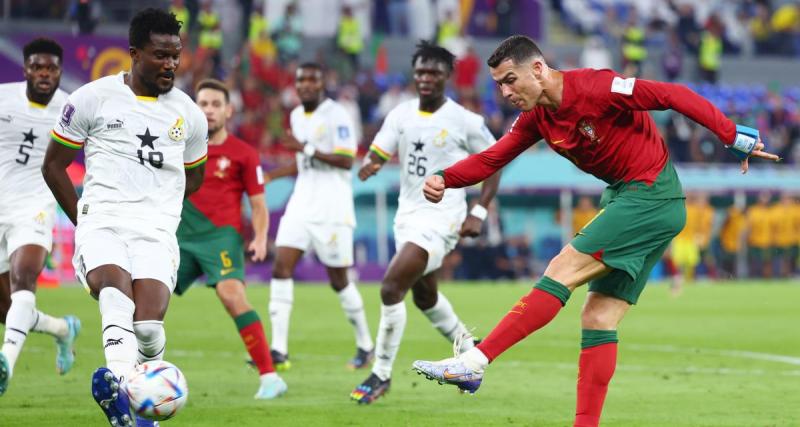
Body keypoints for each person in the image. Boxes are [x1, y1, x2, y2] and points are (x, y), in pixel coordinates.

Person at [411, 35, 779, 427]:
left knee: (562, 268)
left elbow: (672, 93)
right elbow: (494, 157)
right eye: (499, 84)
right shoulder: (537, 116)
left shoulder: (596, 87)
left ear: (537, 69)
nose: (505, 92)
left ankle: (475, 361)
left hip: (649, 194)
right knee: (598, 317)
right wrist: (444, 178)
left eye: (510, 80)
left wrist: (729, 134)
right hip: (634, 198)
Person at [41, 9, 208, 427]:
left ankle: (141, 412)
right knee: (115, 294)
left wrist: (158, 203)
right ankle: (115, 386)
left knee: (149, 328)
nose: (171, 64)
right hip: (103, 223)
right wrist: (84, 221)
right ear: (134, 54)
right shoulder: (92, 98)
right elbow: (54, 165)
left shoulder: (189, 114)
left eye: (176, 55)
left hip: (155, 232)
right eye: (160, 55)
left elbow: (195, 177)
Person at [350, 40, 501, 404]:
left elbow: (495, 161)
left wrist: (478, 211)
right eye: (420, 71)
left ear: (447, 75)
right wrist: (371, 162)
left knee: (390, 288)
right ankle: (470, 356)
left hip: (443, 219)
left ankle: (380, 375)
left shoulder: (464, 120)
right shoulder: (400, 114)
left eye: (434, 72)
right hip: (408, 216)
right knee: (425, 295)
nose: (426, 78)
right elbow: (379, 150)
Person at [174, 78, 286, 399]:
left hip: (221, 238)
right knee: (148, 299)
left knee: (231, 295)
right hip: (179, 236)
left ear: (229, 110)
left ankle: (269, 377)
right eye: (202, 104)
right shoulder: (178, 148)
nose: (208, 110)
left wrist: (261, 238)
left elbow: (259, 203)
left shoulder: (244, 153)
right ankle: (136, 372)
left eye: (215, 105)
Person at [265, 62, 374, 372]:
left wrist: (306, 148)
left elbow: (345, 160)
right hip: (301, 204)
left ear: (323, 83)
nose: (306, 86)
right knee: (281, 267)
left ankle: (366, 344)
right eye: (301, 81)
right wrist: (273, 176)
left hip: (332, 210)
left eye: (313, 80)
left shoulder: (337, 115)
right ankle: (278, 349)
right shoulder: (297, 116)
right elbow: (304, 162)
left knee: (339, 280)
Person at [0, 38, 81, 397]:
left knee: (24, 277)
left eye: (51, 68)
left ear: (60, 71)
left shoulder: (71, 109)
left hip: (34, 208)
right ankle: (62, 329)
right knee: (9, 312)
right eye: (37, 67)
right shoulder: (4, 98)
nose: (44, 74)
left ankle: (6, 362)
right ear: (26, 69)